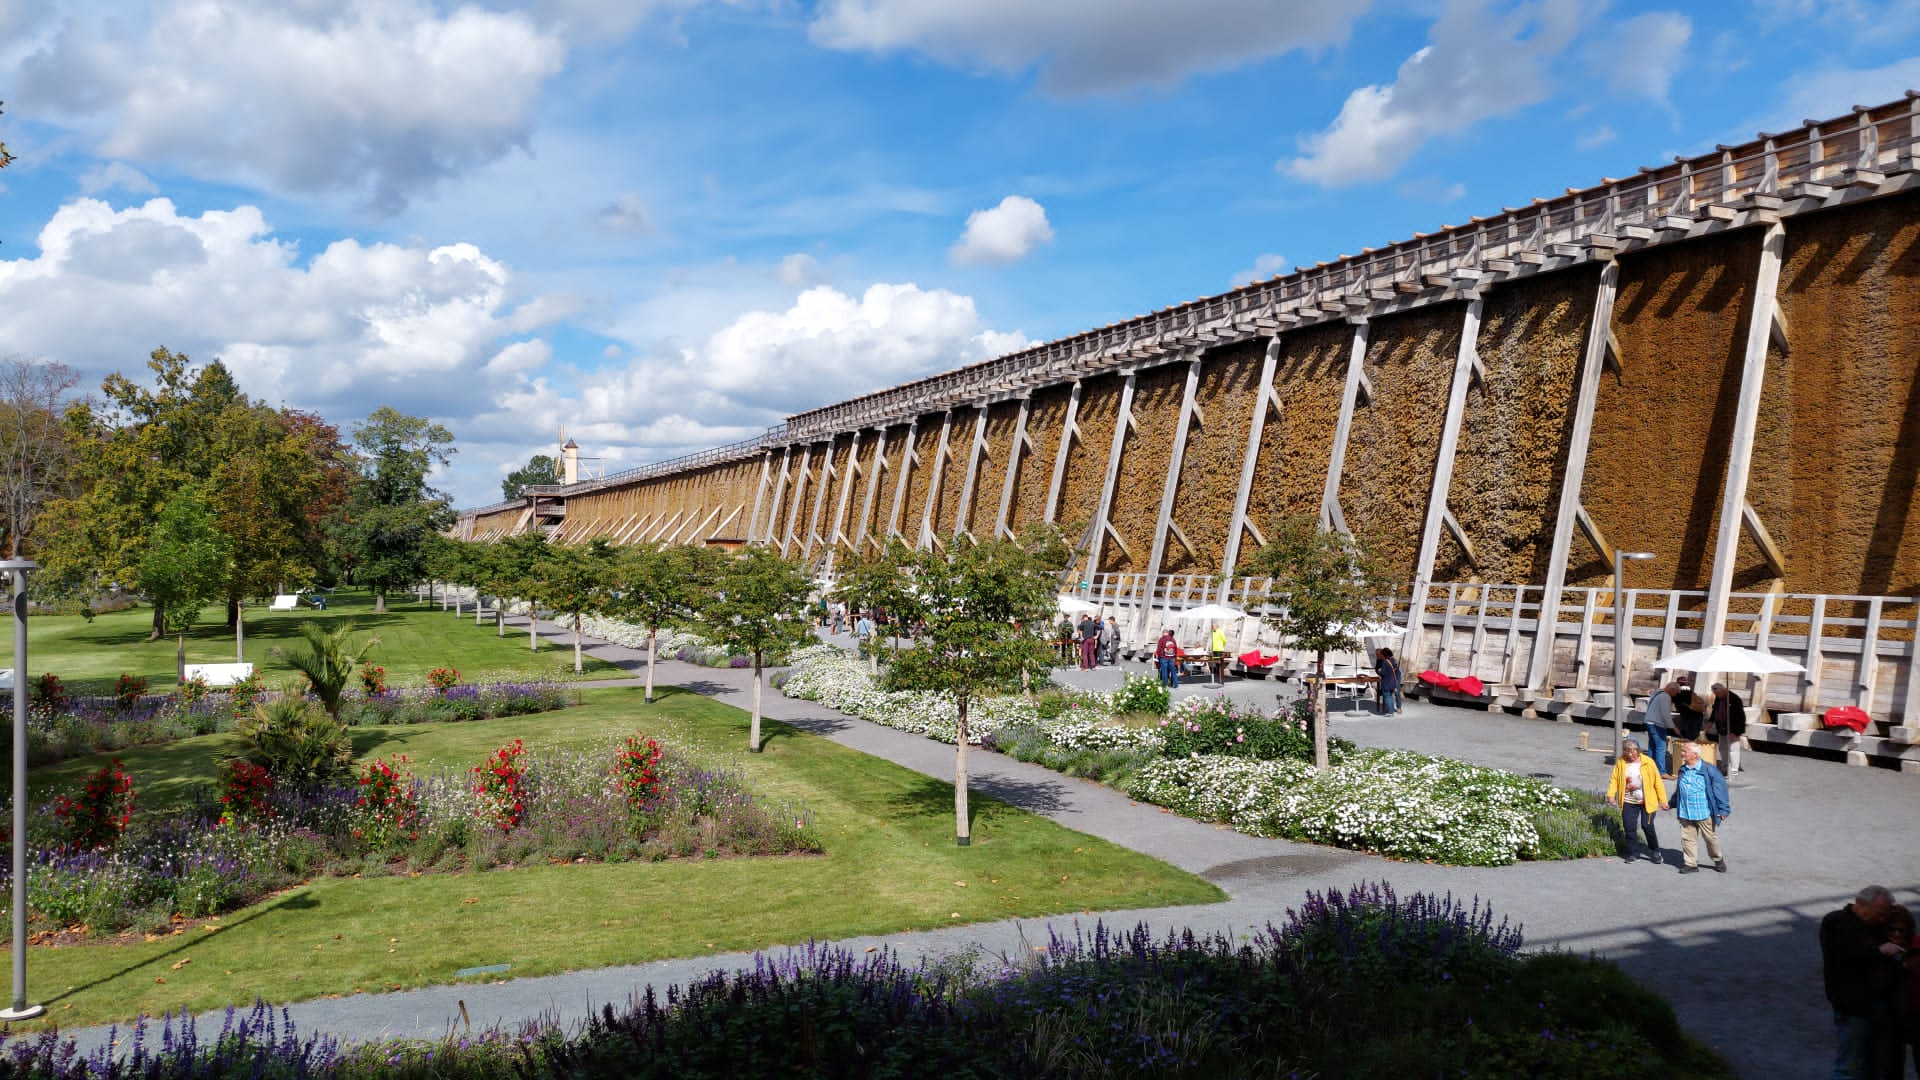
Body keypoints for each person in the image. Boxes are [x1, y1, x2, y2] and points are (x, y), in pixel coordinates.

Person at [1820, 884, 1904, 1079]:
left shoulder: (1878, 925)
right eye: (1879, 913)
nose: (1882, 918)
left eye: (1885, 915)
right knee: (1848, 1068)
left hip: (1879, 1004)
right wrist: (1879, 951)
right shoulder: (1836, 922)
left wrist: (1897, 917)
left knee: (1876, 1066)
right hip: (1853, 1006)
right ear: (1861, 904)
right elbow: (1845, 955)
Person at [1605, 737, 1669, 864]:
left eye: (1634, 753)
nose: (1631, 756)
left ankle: (1655, 851)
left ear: (1638, 751)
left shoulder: (1648, 762)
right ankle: (1634, 853)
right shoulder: (1621, 762)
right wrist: (1611, 795)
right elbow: (1615, 779)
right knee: (1629, 827)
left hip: (1647, 801)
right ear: (1624, 752)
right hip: (1629, 800)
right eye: (1628, 753)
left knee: (1647, 826)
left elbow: (1658, 782)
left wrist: (1663, 800)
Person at [1670, 740, 1729, 874]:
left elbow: (1720, 791)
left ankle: (1718, 859)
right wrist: (1671, 803)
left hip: (1704, 812)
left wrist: (1723, 810)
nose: (1682, 753)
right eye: (1682, 751)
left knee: (1710, 839)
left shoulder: (1709, 770)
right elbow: (1679, 790)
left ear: (1695, 755)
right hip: (1686, 812)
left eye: (1685, 751)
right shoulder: (1683, 770)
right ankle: (1691, 864)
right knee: (1687, 838)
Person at [1886, 904, 1920, 1080]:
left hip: (1917, 1016)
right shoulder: (1880, 949)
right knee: (1891, 1069)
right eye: (1891, 929)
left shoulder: (1918, 949)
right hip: (1892, 1018)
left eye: (1901, 930)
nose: (1896, 934)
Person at [1709, 682, 1747, 775]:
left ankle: (1734, 770)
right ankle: (1725, 767)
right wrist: (1711, 721)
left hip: (1733, 729)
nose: (1716, 696)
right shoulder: (1719, 697)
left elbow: (1741, 717)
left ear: (1723, 690)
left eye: (1717, 693)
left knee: (1733, 749)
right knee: (1722, 748)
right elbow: (1715, 710)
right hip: (1721, 727)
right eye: (1715, 694)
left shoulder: (1734, 699)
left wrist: (1736, 732)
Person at [1643, 680, 1677, 776]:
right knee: (1661, 747)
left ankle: (1648, 768)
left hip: (1649, 721)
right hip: (1657, 724)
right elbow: (1666, 715)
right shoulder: (1665, 697)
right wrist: (1674, 727)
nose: (1675, 695)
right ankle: (1661, 772)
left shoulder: (1657, 692)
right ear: (1672, 689)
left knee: (1652, 746)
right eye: (1675, 692)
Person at [1375, 647, 1403, 715]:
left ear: (1382, 654)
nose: (1377, 656)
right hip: (1387, 678)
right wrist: (1379, 673)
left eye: (1378, 655)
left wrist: (1382, 672)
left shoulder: (1388, 660)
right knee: (1387, 693)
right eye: (1376, 655)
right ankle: (1387, 708)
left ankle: (1398, 707)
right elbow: (1376, 669)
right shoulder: (1379, 660)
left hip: (1395, 677)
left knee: (1396, 692)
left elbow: (1395, 670)